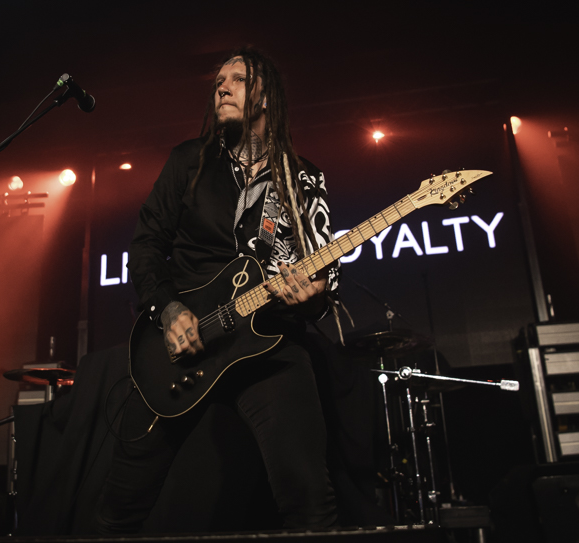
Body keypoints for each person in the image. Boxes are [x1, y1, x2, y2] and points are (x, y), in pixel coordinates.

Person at [94, 46, 340, 534]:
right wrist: (168, 310)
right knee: (122, 504)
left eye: (237, 79)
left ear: (266, 94)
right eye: (218, 81)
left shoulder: (303, 177)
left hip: (267, 343)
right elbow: (145, 247)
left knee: (308, 497)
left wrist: (313, 294)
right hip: (181, 346)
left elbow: (322, 275)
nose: (221, 87)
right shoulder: (189, 161)